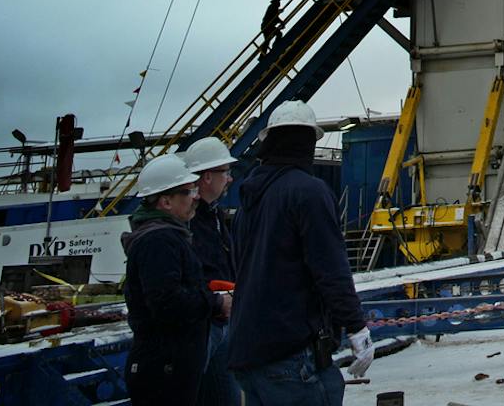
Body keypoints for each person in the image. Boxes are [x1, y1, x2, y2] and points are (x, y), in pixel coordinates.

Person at [224, 101, 372, 406]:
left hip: (247, 353)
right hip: (290, 355)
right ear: (308, 142)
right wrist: (356, 327)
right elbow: (331, 269)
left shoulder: (248, 201)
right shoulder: (309, 192)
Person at [123, 156, 219, 406]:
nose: (195, 197)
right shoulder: (159, 241)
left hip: (170, 366)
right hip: (164, 370)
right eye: (188, 192)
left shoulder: (167, 236)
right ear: (165, 201)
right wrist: (216, 304)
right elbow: (167, 303)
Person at [179, 137, 241, 406]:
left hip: (220, 321)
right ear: (206, 177)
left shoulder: (213, 215)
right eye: (224, 173)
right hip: (202, 324)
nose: (229, 179)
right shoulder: (188, 222)